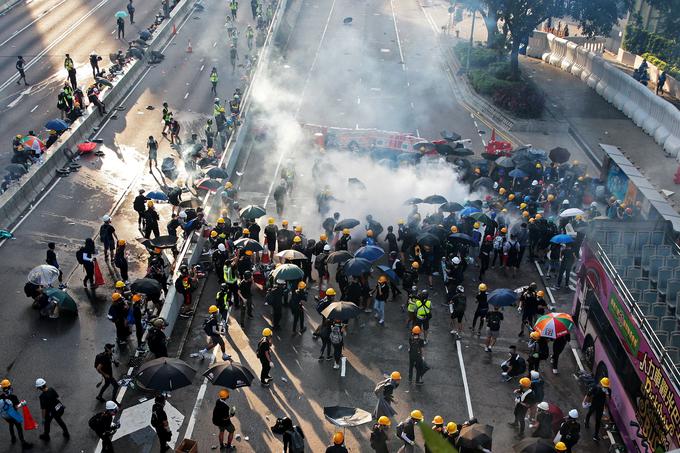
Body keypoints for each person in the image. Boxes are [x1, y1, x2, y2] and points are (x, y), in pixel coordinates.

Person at [0, 379, 33, 449]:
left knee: (11, 424)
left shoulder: (1, 397)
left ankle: (13, 438)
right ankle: (23, 442)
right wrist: (23, 403)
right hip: (13, 415)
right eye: (10, 386)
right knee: (19, 427)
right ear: (8, 388)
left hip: (5, 416)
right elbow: (16, 406)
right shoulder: (13, 397)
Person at [584, 377, 611, 441]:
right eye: (604, 386)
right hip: (593, 404)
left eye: (606, 386)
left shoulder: (608, 391)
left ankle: (596, 435)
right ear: (601, 384)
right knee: (590, 412)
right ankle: (586, 421)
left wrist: (607, 394)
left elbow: (608, 401)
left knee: (598, 420)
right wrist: (586, 402)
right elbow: (588, 394)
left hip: (601, 407)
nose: (605, 387)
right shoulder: (595, 388)